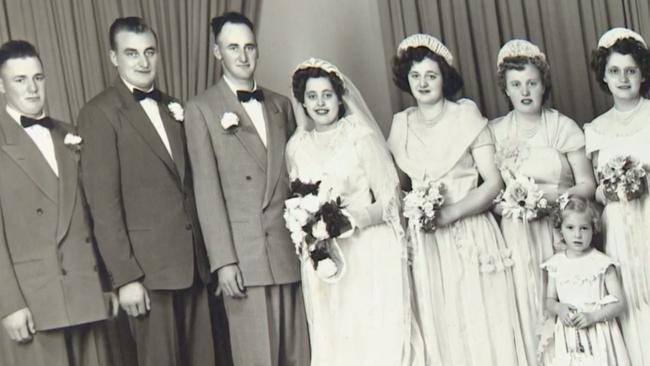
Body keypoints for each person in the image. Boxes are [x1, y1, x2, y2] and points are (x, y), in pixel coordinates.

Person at [76, 17, 214, 366]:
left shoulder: (175, 107)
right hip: (147, 275)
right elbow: (103, 205)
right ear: (113, 58)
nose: (142, 61)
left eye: (149, 52)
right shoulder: (99, 113)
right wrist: (125, 278)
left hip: (194, 268)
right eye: (131, 53)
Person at [388, 33, 528, 365]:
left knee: (480, 317)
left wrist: (451, 212)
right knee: (442, 319)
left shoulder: (466, 116)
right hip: (427, 242)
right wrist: (415, 211)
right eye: (415, 76)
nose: (423, 83)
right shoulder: (401, 124)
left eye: (431, 75)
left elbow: (493, 183)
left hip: (470, 232)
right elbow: (398, 188)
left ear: (444, 78)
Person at [184, 12, 309, 366]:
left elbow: (295, 180)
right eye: (233, 47)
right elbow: (206, 192)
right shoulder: (202, 109)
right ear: (216, 52)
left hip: (289, 252)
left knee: (299, 356)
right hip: (244, 259)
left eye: (249, 47)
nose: (243, 56)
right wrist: (224, 262)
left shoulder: (281, 105)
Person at [286, 58, 423, 366]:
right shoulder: (296, 146)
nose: (320, 103)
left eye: (327, 95)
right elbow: (296, 200)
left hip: (367, 250)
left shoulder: (361, 137)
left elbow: (390, 201)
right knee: (335, 333)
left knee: (372, 335)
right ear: (303, 102)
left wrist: (351, 220)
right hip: (324, 256)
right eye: (312, 96)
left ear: (339, 97)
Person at [0, 40, 113, 366]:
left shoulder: (70, 133)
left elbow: (92, 216)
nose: (33, 88)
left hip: (85, 292)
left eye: (38, 77)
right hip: (32, 303)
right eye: (20, 80)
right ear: (2, 86)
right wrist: (8, 305)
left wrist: (105, 283)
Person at [489, 39, 596, 362]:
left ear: (543, 84)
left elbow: (588, 185)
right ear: (506, 89)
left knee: (566, 300)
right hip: (517, 234)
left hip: (561, 231)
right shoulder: (494, 131)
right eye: (516, 84)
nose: (525, 91)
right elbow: (491, 194)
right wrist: (512, 204)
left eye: (532, 83)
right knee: (527, 303)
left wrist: (549, 198)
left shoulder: (562, 127)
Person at [585, 27, 650, 366]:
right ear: (604, 77)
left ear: (642, 74)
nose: (623, 78)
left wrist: (642, 180)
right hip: (620, 227)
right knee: (631, 299)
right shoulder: (595, 129)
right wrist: (611, 187)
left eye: (631, 70)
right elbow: (595, 187)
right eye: (614, 71)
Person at [540, 196, 631, 365]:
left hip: (598, 332)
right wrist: (559, 307)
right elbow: (549, 300)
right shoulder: (556, 264)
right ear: (561, 230)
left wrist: (593, 316)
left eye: (584, 228)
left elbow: (619, 304)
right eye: (570, 228)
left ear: (593, 228)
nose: (577, 234)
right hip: (569, 335)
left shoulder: (602, 263)